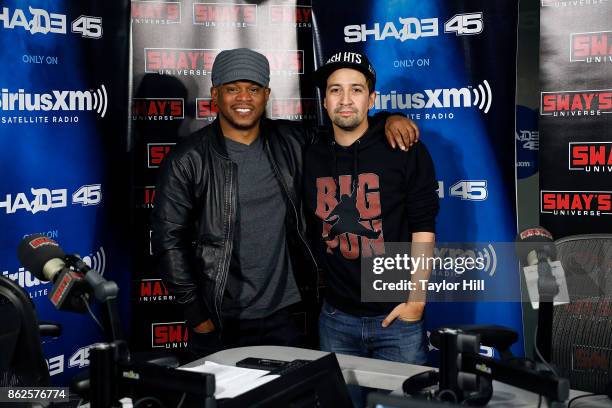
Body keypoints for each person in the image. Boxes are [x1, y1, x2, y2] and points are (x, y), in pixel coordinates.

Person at [151, 48, 420, 358]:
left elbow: (347, 128)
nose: (243, 98)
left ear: (266, 94)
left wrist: (388, 118)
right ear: (215, 94)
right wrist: (198, 317)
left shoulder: (292, 140)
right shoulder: (188, 159)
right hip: (220, 320)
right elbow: (168, 242)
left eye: (253, 89)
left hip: (287, 317)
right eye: (232, 89)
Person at [303, 50, 440, 365]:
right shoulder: (309, 153)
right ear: (324, 100)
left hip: (396, 320)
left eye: (356, 89)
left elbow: (423, 229)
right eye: (335, 90)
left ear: (372, 98)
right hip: (336, 318)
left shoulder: (404, 150)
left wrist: (415, 304)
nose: (345, 99)